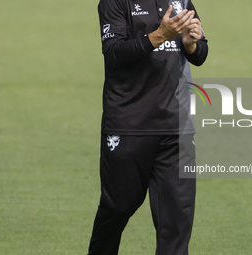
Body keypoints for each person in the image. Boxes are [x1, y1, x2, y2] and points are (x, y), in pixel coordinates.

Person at [87, 0, 208, 254]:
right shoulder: (114, 2)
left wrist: (191, 43)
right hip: (129, 124)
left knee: (176, 223)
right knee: (117, 208)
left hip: (177, 126)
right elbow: (114, 53)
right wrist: (160, 35)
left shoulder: (180, 0)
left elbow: (200, 53)